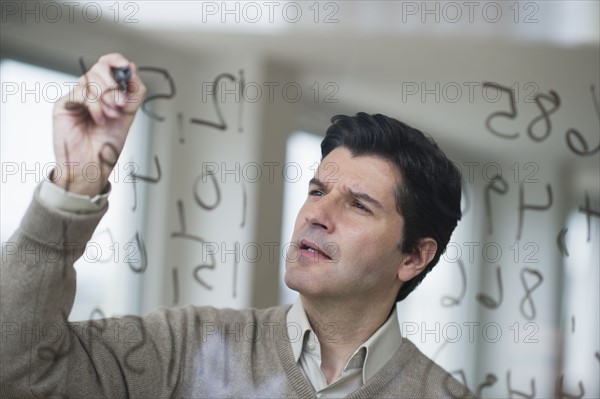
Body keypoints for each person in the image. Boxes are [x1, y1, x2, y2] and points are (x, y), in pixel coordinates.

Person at [1, 53, 476, 398]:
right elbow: (16, 368)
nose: (315, 214)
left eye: (357, 205)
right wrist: (75, 184)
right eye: (316, 191)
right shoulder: (184, 345)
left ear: (414, 256)